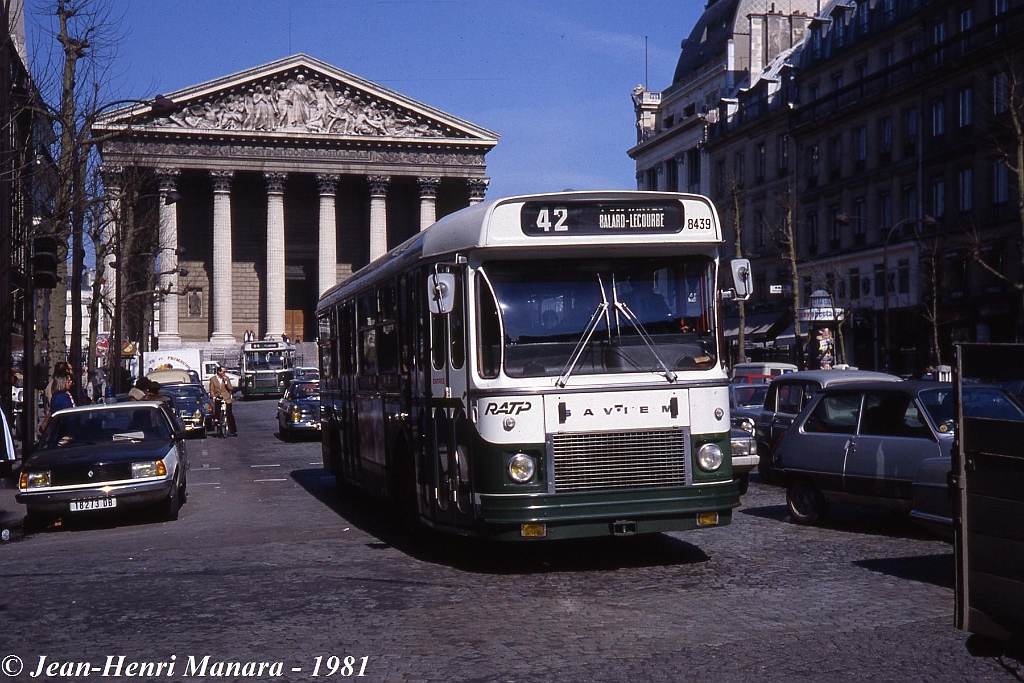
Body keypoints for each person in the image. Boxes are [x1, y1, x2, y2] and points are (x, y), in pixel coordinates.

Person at [209, 366, 237, 436]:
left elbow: (230, 388)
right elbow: (211, 389)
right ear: (219, 372)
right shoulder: (212, 379)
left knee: (229, 413)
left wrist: (226, 382)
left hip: (226, 398)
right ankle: (217, 421)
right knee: (217, 410)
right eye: (223, 372)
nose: (225, 373)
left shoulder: (226, 378)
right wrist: (214, 396)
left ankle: (233, 430)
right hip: (218, 397)